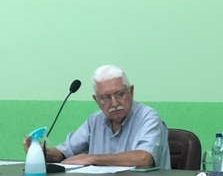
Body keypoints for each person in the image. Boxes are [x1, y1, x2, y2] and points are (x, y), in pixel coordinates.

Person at [23, 65, 171, 169]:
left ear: (131, 92)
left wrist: (92, 158)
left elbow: (144, 158)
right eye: (105, 98)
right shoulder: (95, 121)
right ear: (96, 100)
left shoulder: (148, 117)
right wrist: (40, 151)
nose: (114, 103)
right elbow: (63, 153)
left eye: (120, 94)